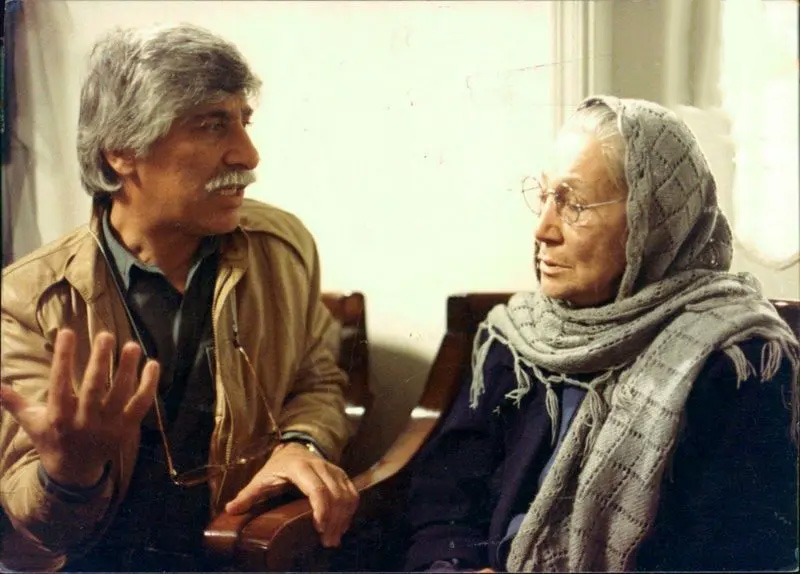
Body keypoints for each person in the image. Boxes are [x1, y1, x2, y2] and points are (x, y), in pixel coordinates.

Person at [0, 23, 358, 571]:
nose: (248, 155)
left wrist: (301, 443)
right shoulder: (27, 299)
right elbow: (38, 525)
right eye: (212, 125)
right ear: (121, 151)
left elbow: (317, 382)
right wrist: (69, 474)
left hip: (241, 553)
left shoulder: (282, 246)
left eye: (243, 121)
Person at [405, 96, 799, 572]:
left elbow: (738, 554)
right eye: (545, 196)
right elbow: (443, 502)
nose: (543, 230)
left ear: (653, 221)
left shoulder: (738, 359)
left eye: (574, 204)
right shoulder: (518, 337)